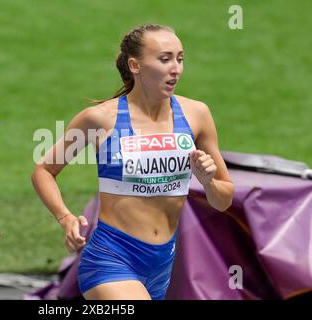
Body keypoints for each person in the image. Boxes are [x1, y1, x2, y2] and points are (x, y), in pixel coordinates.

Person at [31, 23, 234, 300]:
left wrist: (209, 182)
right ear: (135, 65)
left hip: (162, 264)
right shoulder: (100, 119)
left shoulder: (197, 115)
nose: (176, 68)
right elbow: (44, 170)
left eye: (180, 58)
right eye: (164, 59)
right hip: (110, 258)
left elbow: (223, 200)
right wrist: (65, 218)